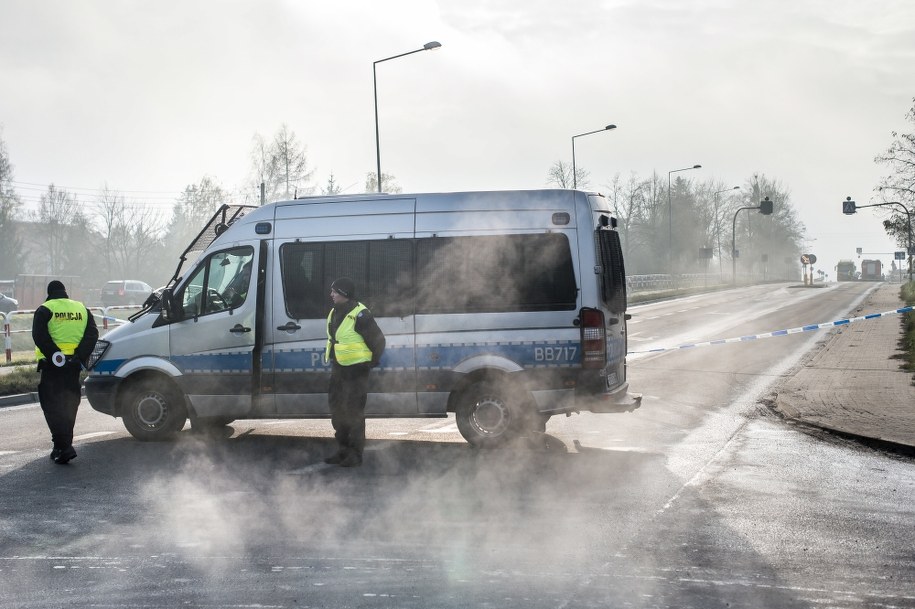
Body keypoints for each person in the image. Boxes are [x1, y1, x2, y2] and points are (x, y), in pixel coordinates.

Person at [32, 280, 99, 464]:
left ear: (49, 292)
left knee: (52, 406)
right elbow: (92, 334)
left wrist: (55, 355)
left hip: (52, 367)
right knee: (69, 405)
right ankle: (61, 447)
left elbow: (39, 336)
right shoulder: (81, 309)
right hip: (74, 366)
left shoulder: (45, 309)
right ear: (65, 291)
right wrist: (79, 356)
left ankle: (64, 447)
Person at [323, 277, 385, 467]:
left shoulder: (361, 314)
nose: (331, 294)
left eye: (334, 291)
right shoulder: (334, 311)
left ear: (344, 293)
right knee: (337, 410)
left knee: (353, 412)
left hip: (356, 371)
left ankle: (355, 454)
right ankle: (343, 450)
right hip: (339, 368)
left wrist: (371, 362)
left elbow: (378, 340)